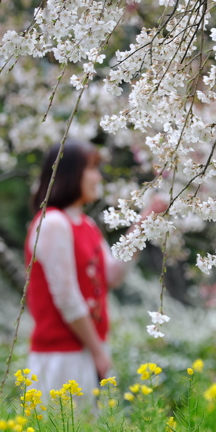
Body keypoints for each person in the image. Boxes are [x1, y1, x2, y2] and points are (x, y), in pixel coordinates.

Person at [24, 140, 129, 395]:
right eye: (91, 168)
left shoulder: (87, 224)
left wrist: (143, 227)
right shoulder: (53, 223)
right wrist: (98, 351)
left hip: (87, 350)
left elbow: (112, 276)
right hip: (62, 356)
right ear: (70, 173)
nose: (98, 177)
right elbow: (67, 298)